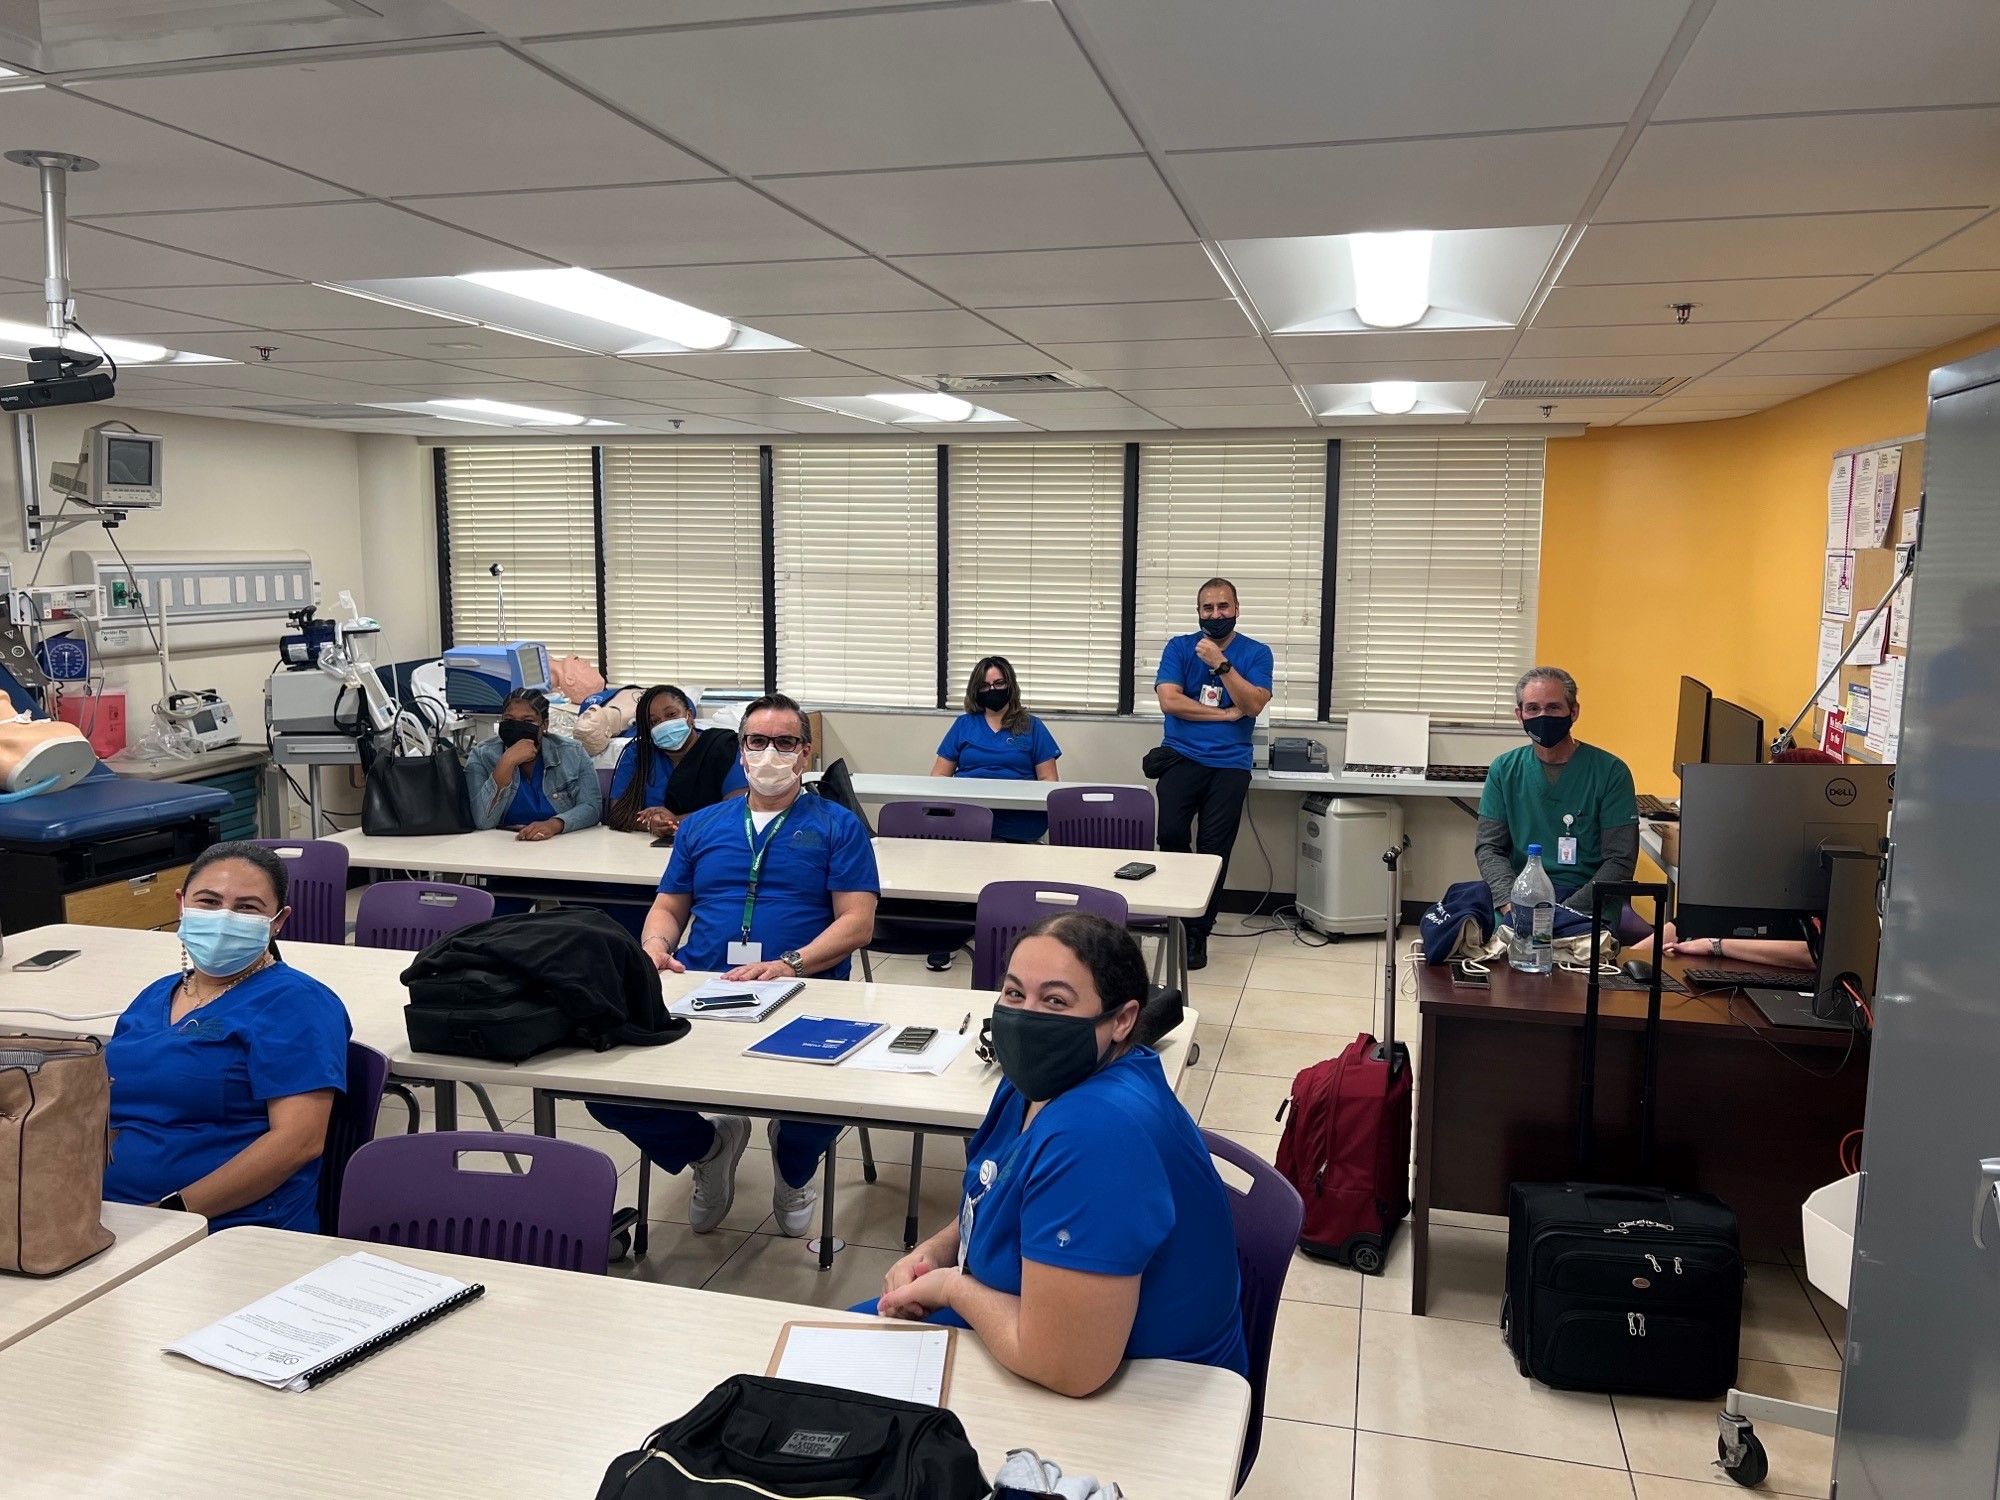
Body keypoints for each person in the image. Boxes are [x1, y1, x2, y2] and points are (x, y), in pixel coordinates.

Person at [858, 913, 1248, 1397]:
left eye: (1056, 1000)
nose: (1026, 1017)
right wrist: (934, 1252)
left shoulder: (1097, 1134)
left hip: (1145, 1394)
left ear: (1122, 1020)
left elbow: (1069, 1368)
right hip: (1029, 1328)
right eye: (1014, 993)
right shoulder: (1036, 1082)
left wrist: (950, 1286)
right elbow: (996, 1188)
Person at [586, 693, 879, 1236]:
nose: (769, 753)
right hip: (703, 983)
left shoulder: (838, 825)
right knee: (606, 1089)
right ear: (741, 750)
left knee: (831, 1093)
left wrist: (789, 964)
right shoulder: (701, 826)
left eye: (785, 742)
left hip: (804, 988)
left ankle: (793, 1166)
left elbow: (857, 923)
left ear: (805, 752)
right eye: (757, 741)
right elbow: (669, 906)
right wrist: (654, 945)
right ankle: (708, 1147)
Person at [102, 841, 351, 1232]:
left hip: (224, 1227)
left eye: (247, 908)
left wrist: (174, 1213)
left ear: (278, 921)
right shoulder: (155, 995)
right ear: (181, 904)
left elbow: (299, 1141)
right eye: (209, 901)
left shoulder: (297, 1003)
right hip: (112, 1217)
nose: (223, 917)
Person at [1153, 577, 1273, 970]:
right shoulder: (1179, 647)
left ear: (1236, 609)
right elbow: (1170, 702)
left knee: (1214, 850)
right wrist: (1223, 714)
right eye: (1208, 607)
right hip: (1181, 758)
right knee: (1170, 835)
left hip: (1229, 765)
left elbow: (1253, 704)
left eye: (1223, 606)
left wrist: (1221, 665)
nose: (1216, 614)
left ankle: (1197, 932)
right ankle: (1177, 914)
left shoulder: (1256, 653)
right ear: (1198, 612)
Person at [925, 655, 1062, 969]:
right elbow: (938, 777)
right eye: (986, 686)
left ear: (1010, 685)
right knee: (951, 868)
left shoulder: (1032, 726)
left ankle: (1012, 938)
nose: (993, 690)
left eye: (999, 683)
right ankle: (947, 936)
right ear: (976, 690)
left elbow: (1049, 782)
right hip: (969, 822)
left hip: (1018, 821)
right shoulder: (964, 725)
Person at [1476, 666, 1639, 921]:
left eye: (1553, 707)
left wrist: (1563, 914)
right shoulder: (1504, 770)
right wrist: (1510, 902)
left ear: (1573, 712)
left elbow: (1620, 861)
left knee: (1568, 944)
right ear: (1520, 715)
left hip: (1587, 903)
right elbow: (1489, 848)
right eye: (1533, 708)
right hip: (1520, 899)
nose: (1543, 716)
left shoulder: (1610, 772)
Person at [604, 684, 747, 836]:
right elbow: (618, 812)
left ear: (689, 715)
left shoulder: (723, 747)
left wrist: (677, 821)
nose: (664, 724)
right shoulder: (638, 754)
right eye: (654, 722)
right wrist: (651, 824)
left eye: (671, 714)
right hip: (643, 845)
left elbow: (738, 808)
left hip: (713, 840)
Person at [466, 688, 603, 841]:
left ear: (544, 725)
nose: (517, 727)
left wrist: (554, 825)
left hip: (560, 843)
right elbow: (482, 821)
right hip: (504, 844)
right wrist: (506, 762)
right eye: (509, 720)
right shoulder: (481, 755)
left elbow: (592, 808)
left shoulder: (573, 753)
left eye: (528, 721)